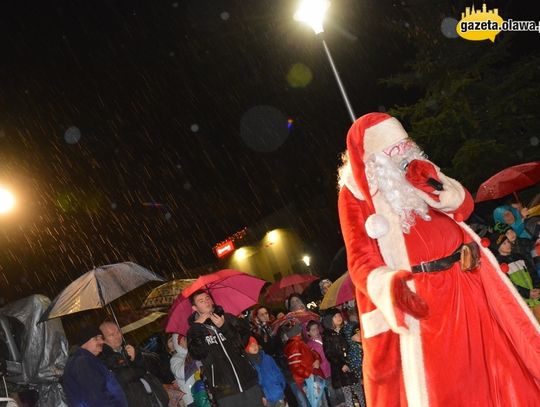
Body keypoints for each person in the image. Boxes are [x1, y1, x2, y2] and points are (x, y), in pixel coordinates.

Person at [337, 112, 540, 406]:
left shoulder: (421, 171)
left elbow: (464, 206)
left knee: (492, 366)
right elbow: (359, 257)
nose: (402, 152)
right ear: (372, 157)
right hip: (425, 298)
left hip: (466, 282)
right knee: (446, 386)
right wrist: (389, 286)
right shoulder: (355, 193)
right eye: (392, 148)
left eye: (404, 144)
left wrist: (432, 183)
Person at [186, 290, 264, 406]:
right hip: (225, 390)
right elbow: (197, 353)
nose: (206, 302)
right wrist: (197, 328)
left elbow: (242, 343)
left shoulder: (228, 318)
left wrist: (224, 327)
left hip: (248, 381)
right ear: (195, 308)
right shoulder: (194, 331)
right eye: (201, 301)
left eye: (207, 298)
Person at [99, 321, 169, 407]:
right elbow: (124, 377)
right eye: (111, 335)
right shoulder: (104, 360)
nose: (117, 336)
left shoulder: (129, 348)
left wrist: (137, 357)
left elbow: (156, 365)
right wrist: (140, 369)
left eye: (118, 332)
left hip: (157, 398)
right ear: (103, 340)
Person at [62, 324, 128, 407]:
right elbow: (96, 398)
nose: (102, 341)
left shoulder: (87, 360)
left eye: (101, 338)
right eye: (96, 338)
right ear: (84, 341)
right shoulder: (83, 362)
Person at [322, 309, 364, 407]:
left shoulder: (346, 330)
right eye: (335, 316)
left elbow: (351, 346)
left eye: (339, 315)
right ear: (329, 319)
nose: (339, 318)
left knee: (359, 391)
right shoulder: (327, 335)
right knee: (348, 393)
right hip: (341, 369)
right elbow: (329, 354)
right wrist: (342, 364)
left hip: (352, 365)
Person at [245, 336, 286, 407]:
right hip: (265, 399)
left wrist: (281, 385)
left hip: (277, 392)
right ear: (247, 349)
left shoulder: (267, 358)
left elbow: (278, 371)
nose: (254, 347)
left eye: (255, 344)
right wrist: (261, 395)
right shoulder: (249, 364)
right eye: (251, 346)